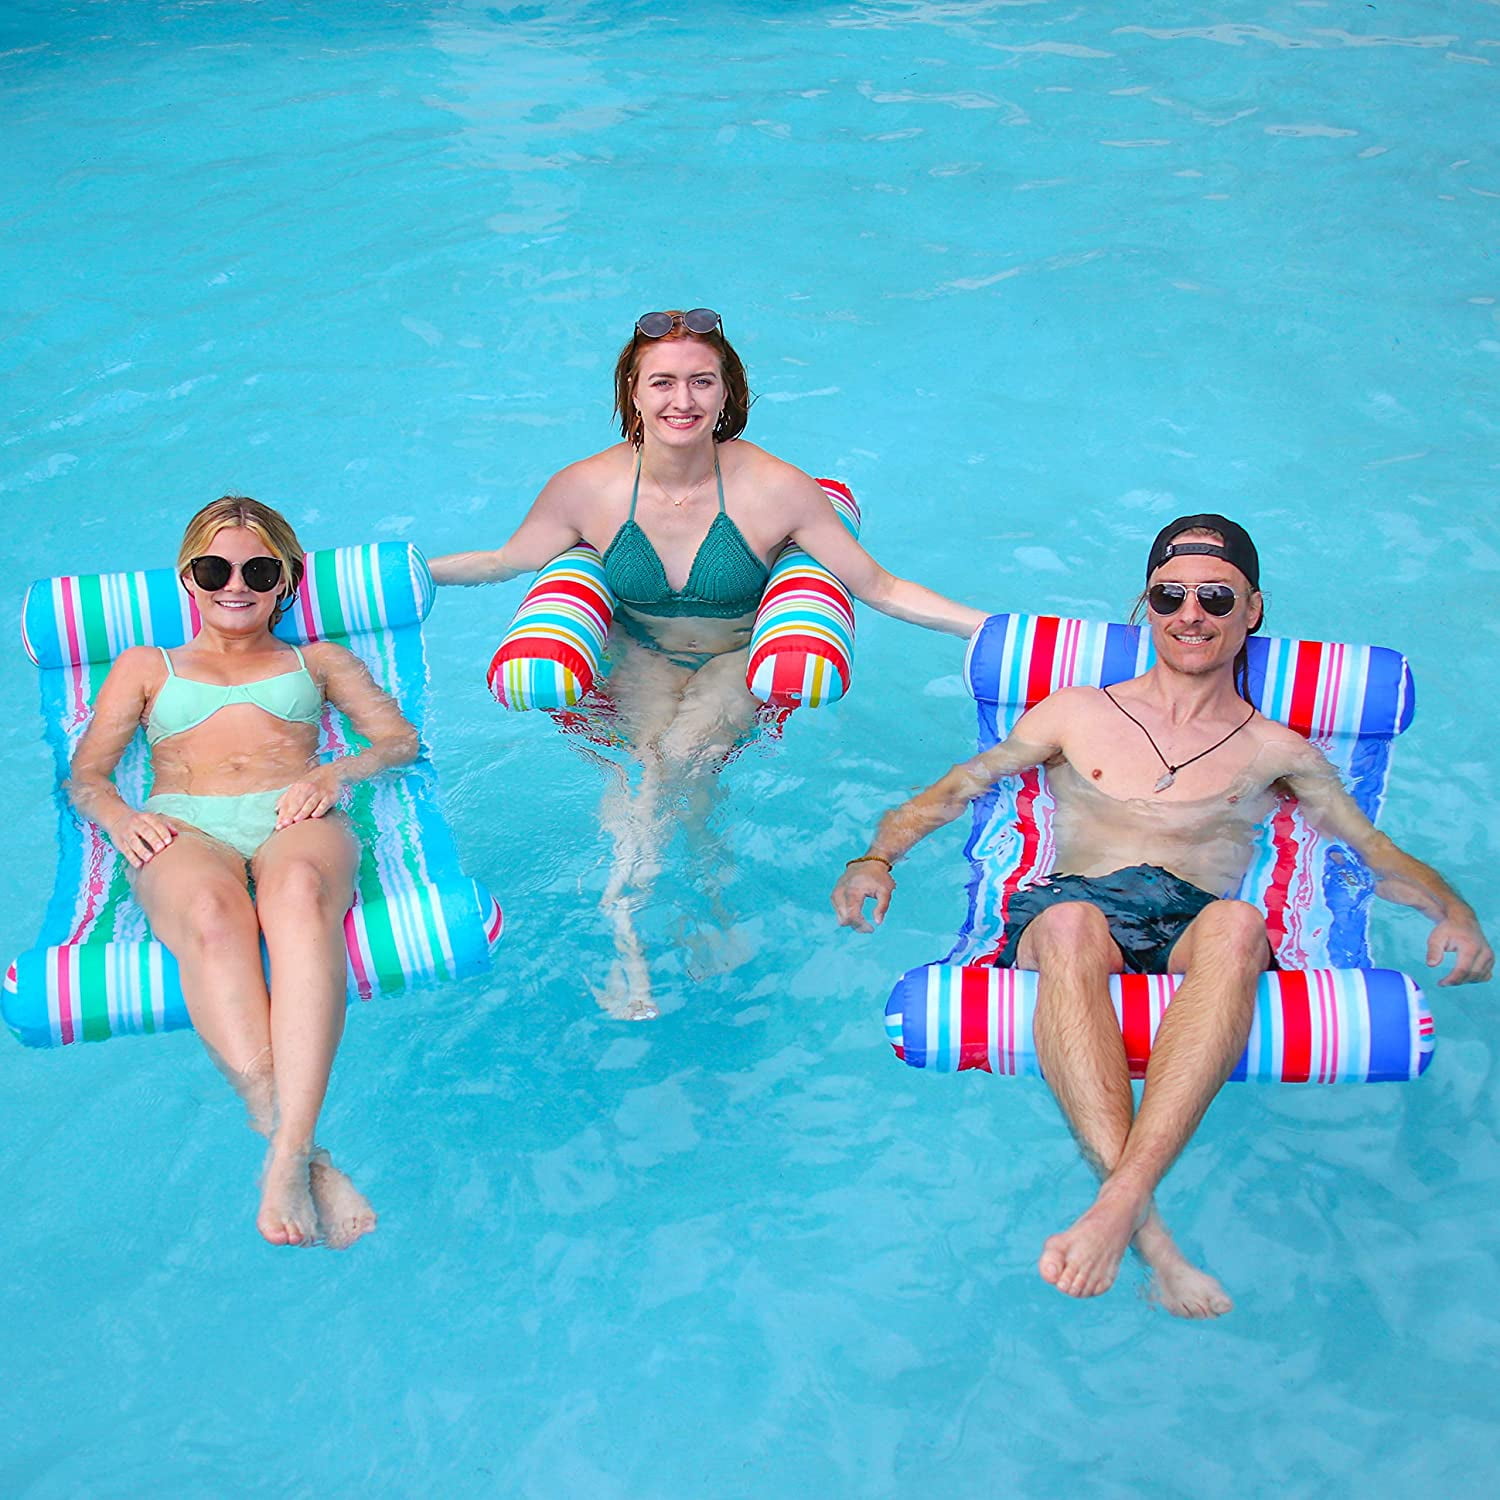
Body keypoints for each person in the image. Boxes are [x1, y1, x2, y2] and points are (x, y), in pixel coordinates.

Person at [832, 514, 1492, 1318]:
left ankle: (1118, 1207)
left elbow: (1373, 851)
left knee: (1241, 926)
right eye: (1169, 595)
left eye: (1217, 597)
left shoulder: (1278, 749)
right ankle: (1151, 1237)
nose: (1191, 614)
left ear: (1252, 610)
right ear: (1145, 605)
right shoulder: (1074, 712)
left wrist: (1454, 911)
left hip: (1192, 914)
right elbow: (954, 790)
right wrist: (876, 857)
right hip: (1077, 903)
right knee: (1071, 926)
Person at [432, 308, 986, 1019]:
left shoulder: (773, 487)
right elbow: (503, 561)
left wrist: (994, 629)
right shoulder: (586, 488)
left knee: (678, 757)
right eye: (662, 382)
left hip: (736, 653)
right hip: (642, 651)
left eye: (701, 381)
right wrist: (404, 574)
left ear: (729, 393)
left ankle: (627, 918)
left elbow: (878, 586)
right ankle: (700, 902)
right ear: (632, 392)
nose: (682, 400)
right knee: (651, 766)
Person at [66, 496, 419, 1249]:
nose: (236, 585)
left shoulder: (317, 661)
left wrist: (335, 773)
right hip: (184, 823)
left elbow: (398, 742)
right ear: (187, 577)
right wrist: (121, 819)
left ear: (284, 581)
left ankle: (286, 1155)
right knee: (211, 916)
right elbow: (87, 777)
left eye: (259, 571)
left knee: (298, 893)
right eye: (214, 569)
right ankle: (305, 1157)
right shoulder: (146, 666)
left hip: (295, 811)